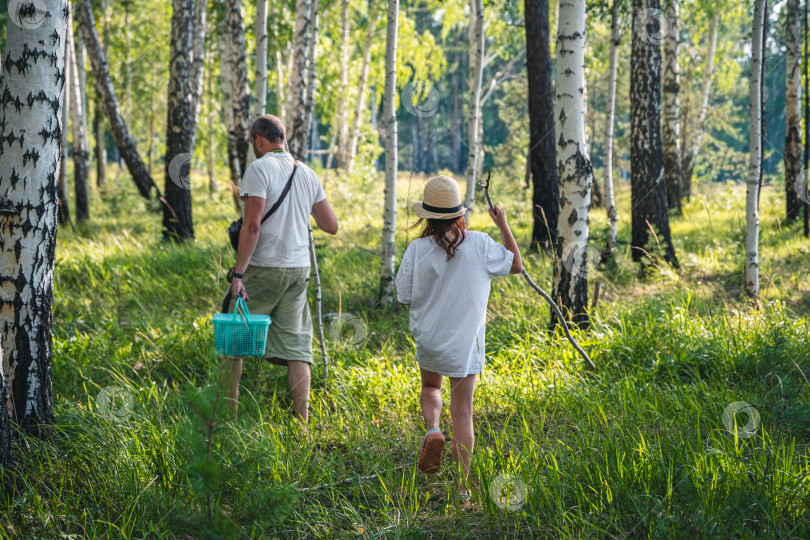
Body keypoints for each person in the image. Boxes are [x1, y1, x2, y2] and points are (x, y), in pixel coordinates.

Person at [395, 175, 522, 498]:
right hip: (465, 343)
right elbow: (516, 265)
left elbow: (403, 295)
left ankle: (433, 430)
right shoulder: (479, 244)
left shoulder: (417, 249)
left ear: (427, 215)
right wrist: (503, 225)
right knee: (463, 411)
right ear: (459, 213)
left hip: (430, 338)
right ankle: (462, 487)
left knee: (430, 387)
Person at [224, 114, 338, 423]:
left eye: (252, 143)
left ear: (258, 141)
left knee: (233, 342)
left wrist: (238, 274)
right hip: (299, 269)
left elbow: (251, 227)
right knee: (298, 348)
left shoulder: (258, 170)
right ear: (282, 139)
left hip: (264, 267)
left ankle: (225, 419)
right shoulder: (307, 173)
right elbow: (331, 225)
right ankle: (302, 423)